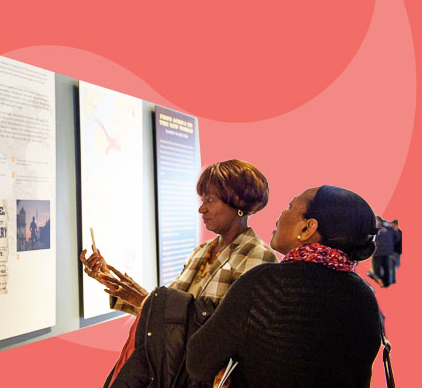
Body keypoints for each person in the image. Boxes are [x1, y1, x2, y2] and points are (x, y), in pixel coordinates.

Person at [81, 159, 277, 387]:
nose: (201, 208)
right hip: (173, 373)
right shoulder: (201, 252)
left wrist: (145, 299)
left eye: (210, 200)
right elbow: (166, 317)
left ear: (238, 203)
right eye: (202, 200)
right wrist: (112, 282)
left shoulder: (258, 256)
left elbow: (229, 332)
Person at [186, 186, 383, 387]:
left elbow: (199, 361)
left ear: (307, 228)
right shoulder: (365, 295)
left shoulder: (265, 284)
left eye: (290, 207)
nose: (282, 214)